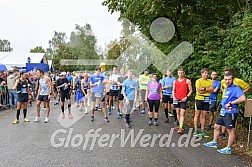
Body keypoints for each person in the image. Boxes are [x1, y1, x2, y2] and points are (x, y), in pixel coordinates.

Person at [203, 72, 246, 154]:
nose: (227, 81)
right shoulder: (227, 87)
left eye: (229, 79)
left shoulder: (236, 88)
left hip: (231, 112)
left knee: (230, 130)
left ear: (232, 79)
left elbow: (243, 98)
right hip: (223, 111)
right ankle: (214, 142)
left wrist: (231, 103)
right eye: (225, 79)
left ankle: (228, 148)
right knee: (216, 126)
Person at [218, 68, 250, 140]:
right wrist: (223, 92)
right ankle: (223, 133)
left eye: (228, 74)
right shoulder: (223, 81)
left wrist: (241, 93)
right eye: (225, 74)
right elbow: (222, 88)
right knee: (222, 119)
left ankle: (233, 137)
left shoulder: (237, 81)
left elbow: (248, 86)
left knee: (232, 120)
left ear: (232, 76)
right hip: (224, 102)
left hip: (232, 103)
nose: (226, 77)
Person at [194, 68, 214, 138]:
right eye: (205, 73)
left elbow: (212, 90)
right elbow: (199, 90)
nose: (206, 74)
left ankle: (202, 130)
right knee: (197, 115)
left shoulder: (210, 81)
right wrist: (207, 89)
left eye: (207, 73)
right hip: (199, 98)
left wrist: (204, 89)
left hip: (206, 99)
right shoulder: (198, 81)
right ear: (202, 73)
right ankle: (196, 130)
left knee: (204, 115)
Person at [172, 68, 193, 134]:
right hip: (176, 98)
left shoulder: (187, 81)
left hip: (183, 99)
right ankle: (179, 125)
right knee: (177, 113)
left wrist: (186, 97)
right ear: (178, 74)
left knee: (182, 113)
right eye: (179, 73)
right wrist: (173, 96)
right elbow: (173, 90)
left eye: (181, 73)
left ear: (184, 73)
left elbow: (191, 90)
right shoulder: (175, 81)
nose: (180, 74)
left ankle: (180, 128)